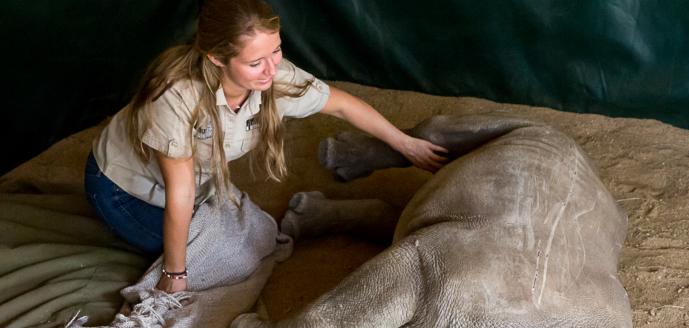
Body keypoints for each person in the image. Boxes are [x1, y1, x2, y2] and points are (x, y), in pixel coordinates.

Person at [84, 0, 448, 294]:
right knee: (226, 262)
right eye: (255, 62)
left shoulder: (272, 74)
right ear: (216, 58)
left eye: (276, 51)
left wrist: (406, 144)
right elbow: (180, 192)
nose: (271, 69)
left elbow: (340, 104)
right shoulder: (175, 94)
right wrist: (176, 272)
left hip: (198, 184)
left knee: (256, 238)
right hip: (123, 188)